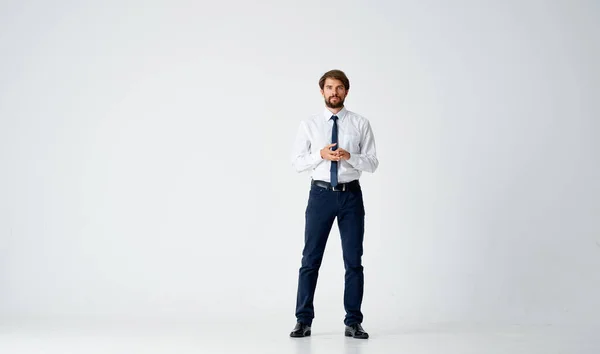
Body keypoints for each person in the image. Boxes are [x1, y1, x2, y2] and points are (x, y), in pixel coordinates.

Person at [289, 69, 379, 339]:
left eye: (339, 87)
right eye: (329, 87)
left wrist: (350, 156)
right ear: (322, 91)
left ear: (346, 91)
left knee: (353, 261)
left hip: (351, 195)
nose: (334, 92)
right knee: (310, 259)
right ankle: (303, 320)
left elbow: (373, 163)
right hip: (320, 196)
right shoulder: (310, 124)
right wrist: (320, 154)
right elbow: (296, 162)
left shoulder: (360, 124)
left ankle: (353, 322)